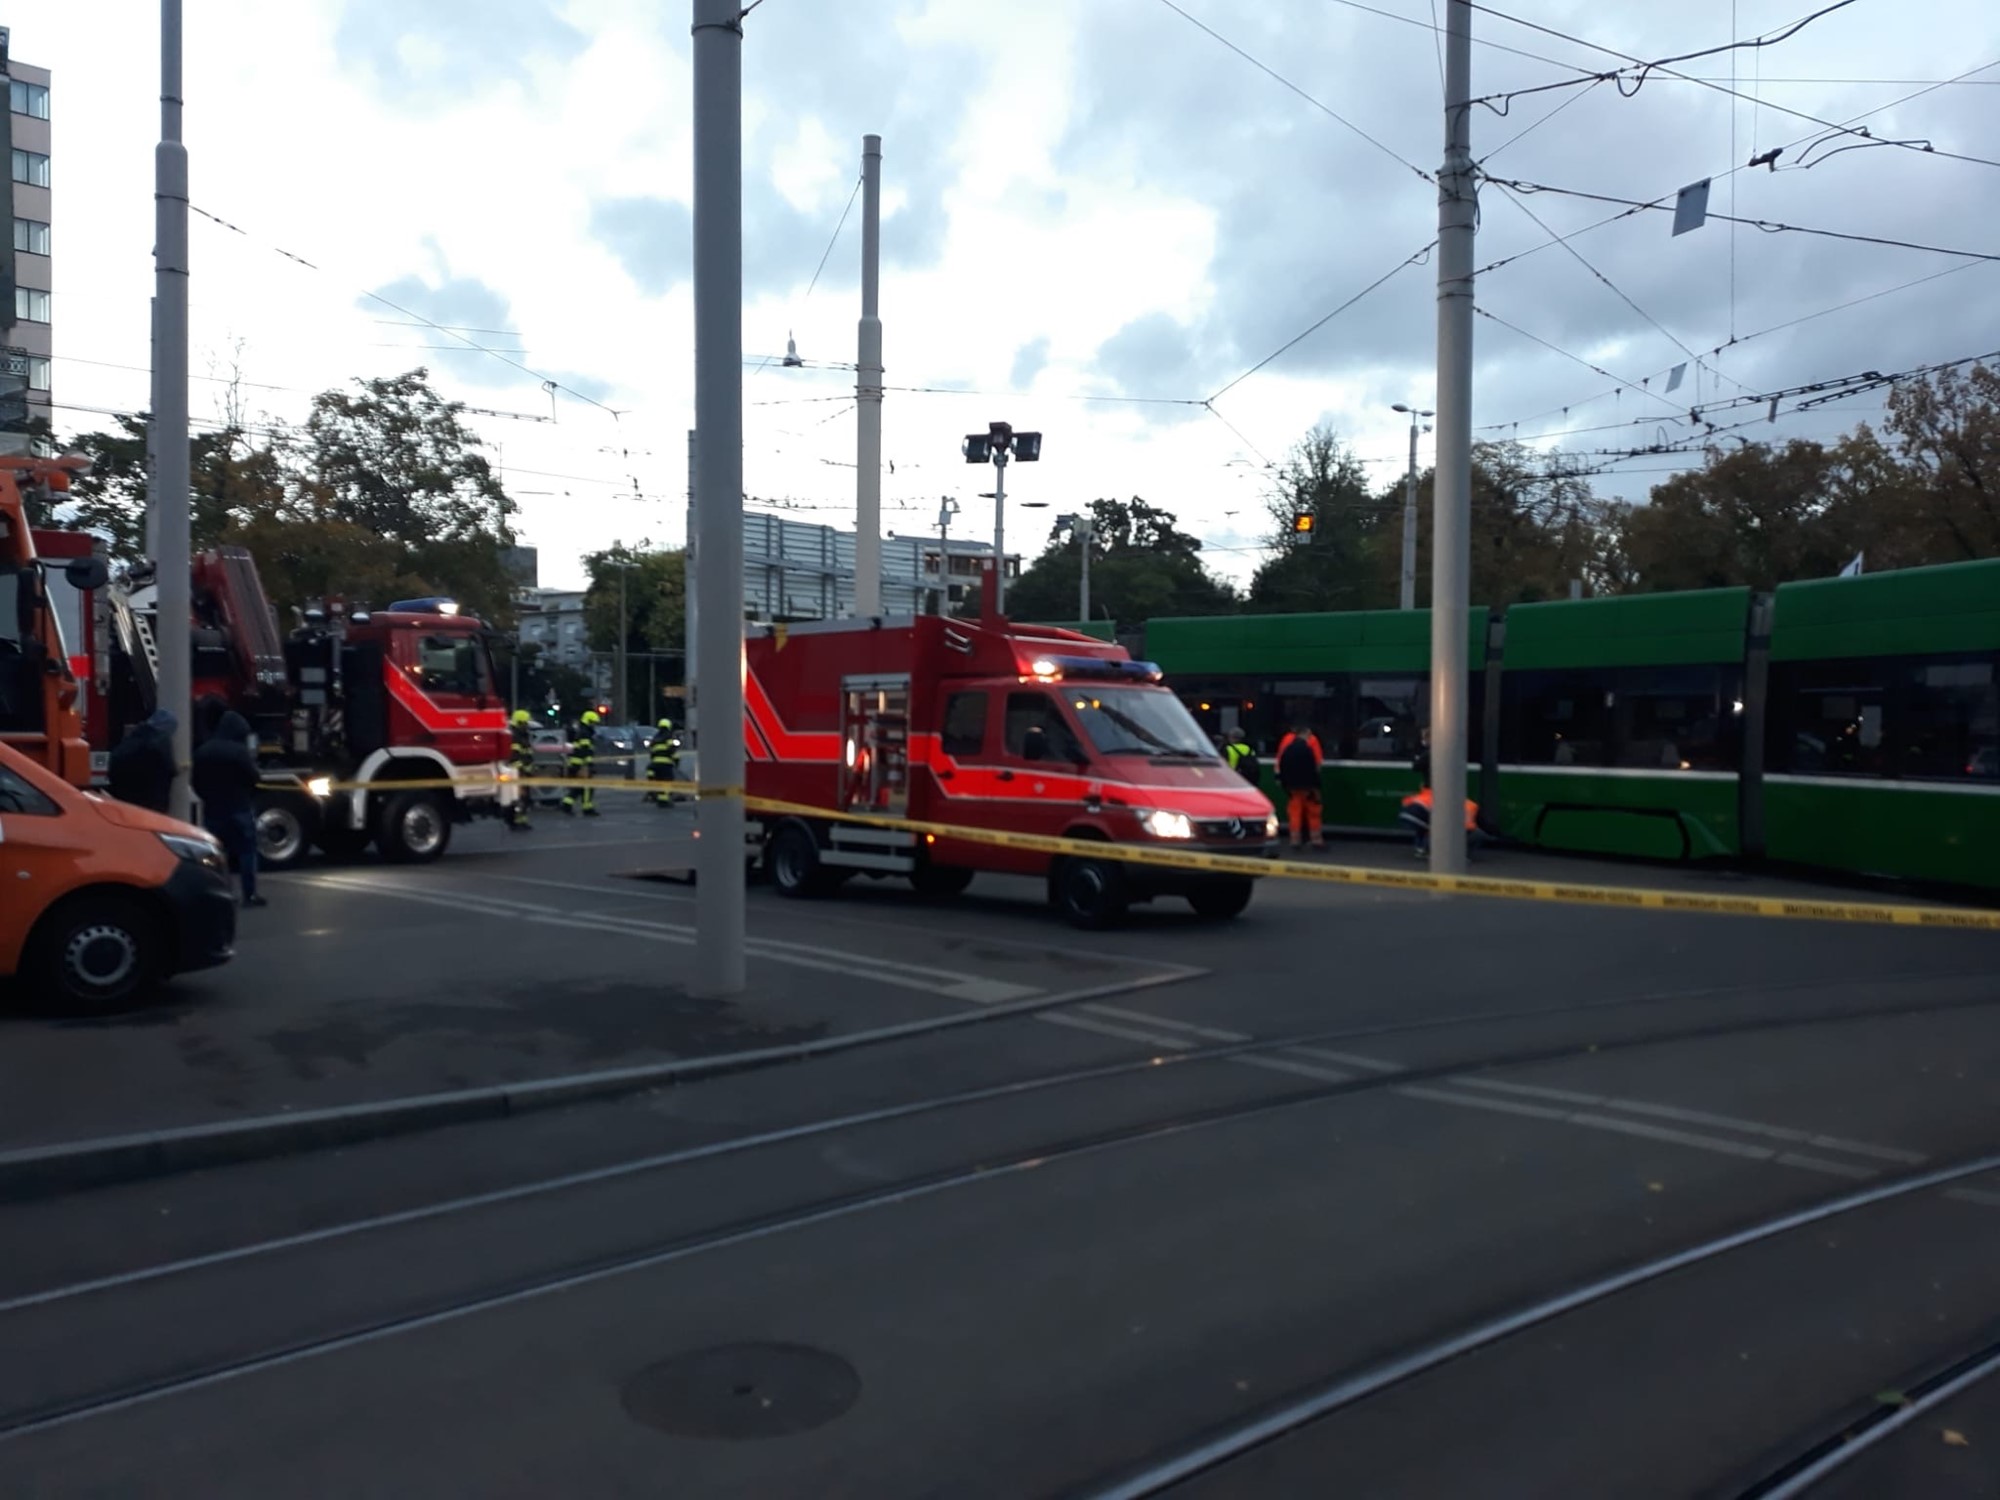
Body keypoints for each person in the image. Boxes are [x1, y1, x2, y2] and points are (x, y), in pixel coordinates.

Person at [191, 710, 265, 907]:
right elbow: (254, 777)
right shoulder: (239, 751)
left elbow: (195, 781)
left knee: (213, 854)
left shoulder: (203, 751)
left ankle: (218, 893)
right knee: (247, 851)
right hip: (239, 807)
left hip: (214, 809)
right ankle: (249, 894)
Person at [107, 708, 178, 814]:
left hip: (125, 795)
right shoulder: (160, 741)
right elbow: (170, 768)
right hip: (151, 798)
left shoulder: (133, 737)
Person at [1275, 723, 1325, 852]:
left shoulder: (1288, 747)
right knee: (1314, 812)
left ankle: (1295, 840)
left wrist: (1284, 784)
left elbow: (1281, 766)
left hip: (1292, 787)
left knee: (1295, 813)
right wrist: (1316, 787)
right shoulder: (1309, 747)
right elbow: (1314, 768)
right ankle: (1316, 840)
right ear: (1305, 733)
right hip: (1308, 787)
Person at [563, 709, 601, 817]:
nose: (594, 725)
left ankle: (567, 804)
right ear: (588, 721)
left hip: (576, 764)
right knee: (587, 787)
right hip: (581, 765)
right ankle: (587, 808)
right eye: (593, 723)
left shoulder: (582, 731)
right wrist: (588, 765)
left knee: (578, 788)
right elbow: (586, 751)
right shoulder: (585, 733)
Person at [507, 709, 535, 831]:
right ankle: (517, 822)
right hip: (518, 772)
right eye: (525, 723)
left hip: (524, 771)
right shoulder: (515, 736)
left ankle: (521, 821)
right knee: (519, 798)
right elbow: (515, 756)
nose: (527, 726)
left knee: (524, 798)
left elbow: (527, 754)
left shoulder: (522, 735)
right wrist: (520, 772)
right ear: (519, 723)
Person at [645, 716, 680, 806]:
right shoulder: (668, 736)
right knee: (667, 782)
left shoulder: (655, 738)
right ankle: (665, 800)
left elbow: (651, 753)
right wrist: (676, 761)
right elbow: (672, 750)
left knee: (660, 782)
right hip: (666, 764)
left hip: (655, 765)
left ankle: (659, 799)